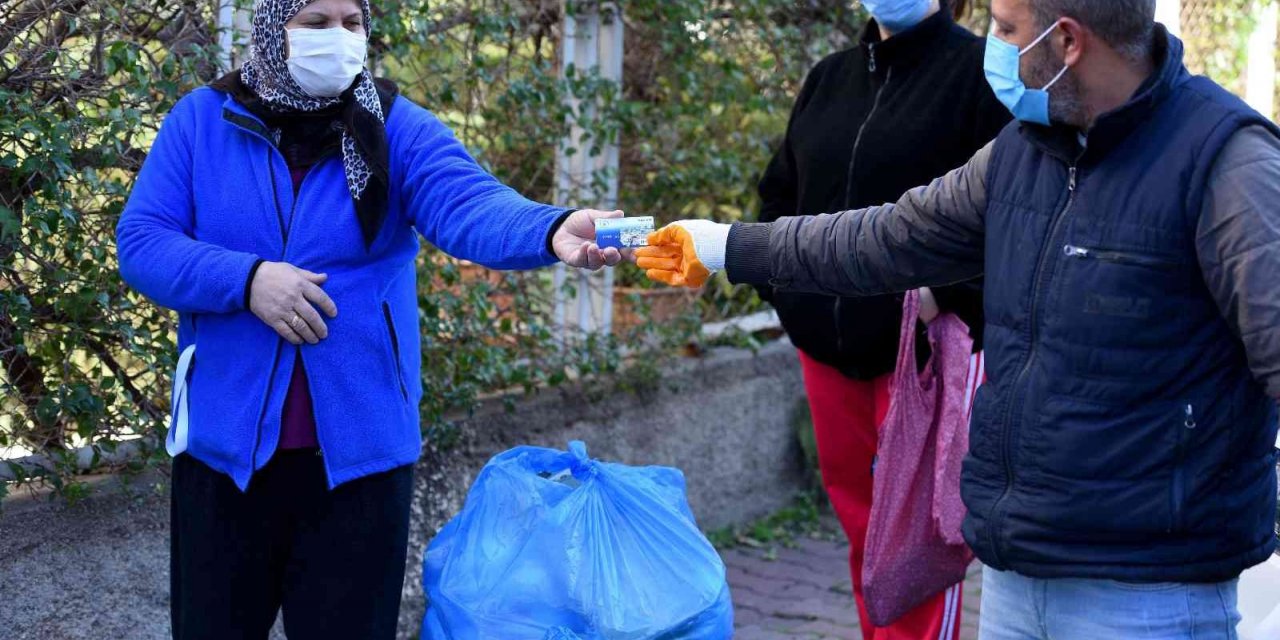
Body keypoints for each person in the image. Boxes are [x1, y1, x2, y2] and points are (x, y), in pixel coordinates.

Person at [637, 0, 1280, 637]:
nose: (991, 46)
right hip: (1017, 571)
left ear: (1067, 42)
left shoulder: (1228, 162)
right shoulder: (1026, 150)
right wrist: (726, 246)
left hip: (1148, 594)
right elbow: (888, 238)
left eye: (1004, 29)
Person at [114, 0, 624, 637]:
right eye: (317, 22)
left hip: (358, 461)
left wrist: (550, 228)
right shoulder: (201, 121)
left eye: (352, 23)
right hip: (225, 460)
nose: (341, 38)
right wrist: (246, 281)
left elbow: (470, 203)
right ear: (273, 28)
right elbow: (142, 242)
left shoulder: (396, 126)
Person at [753, 0, 1007, 636]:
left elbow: (1012, 212)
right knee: (865, 530)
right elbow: (780, 192)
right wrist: (787, 293)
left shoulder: (983, 73)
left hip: (923, 355)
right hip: (826, 352)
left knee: (917, 544)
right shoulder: (829, 77)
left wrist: (946, 299)